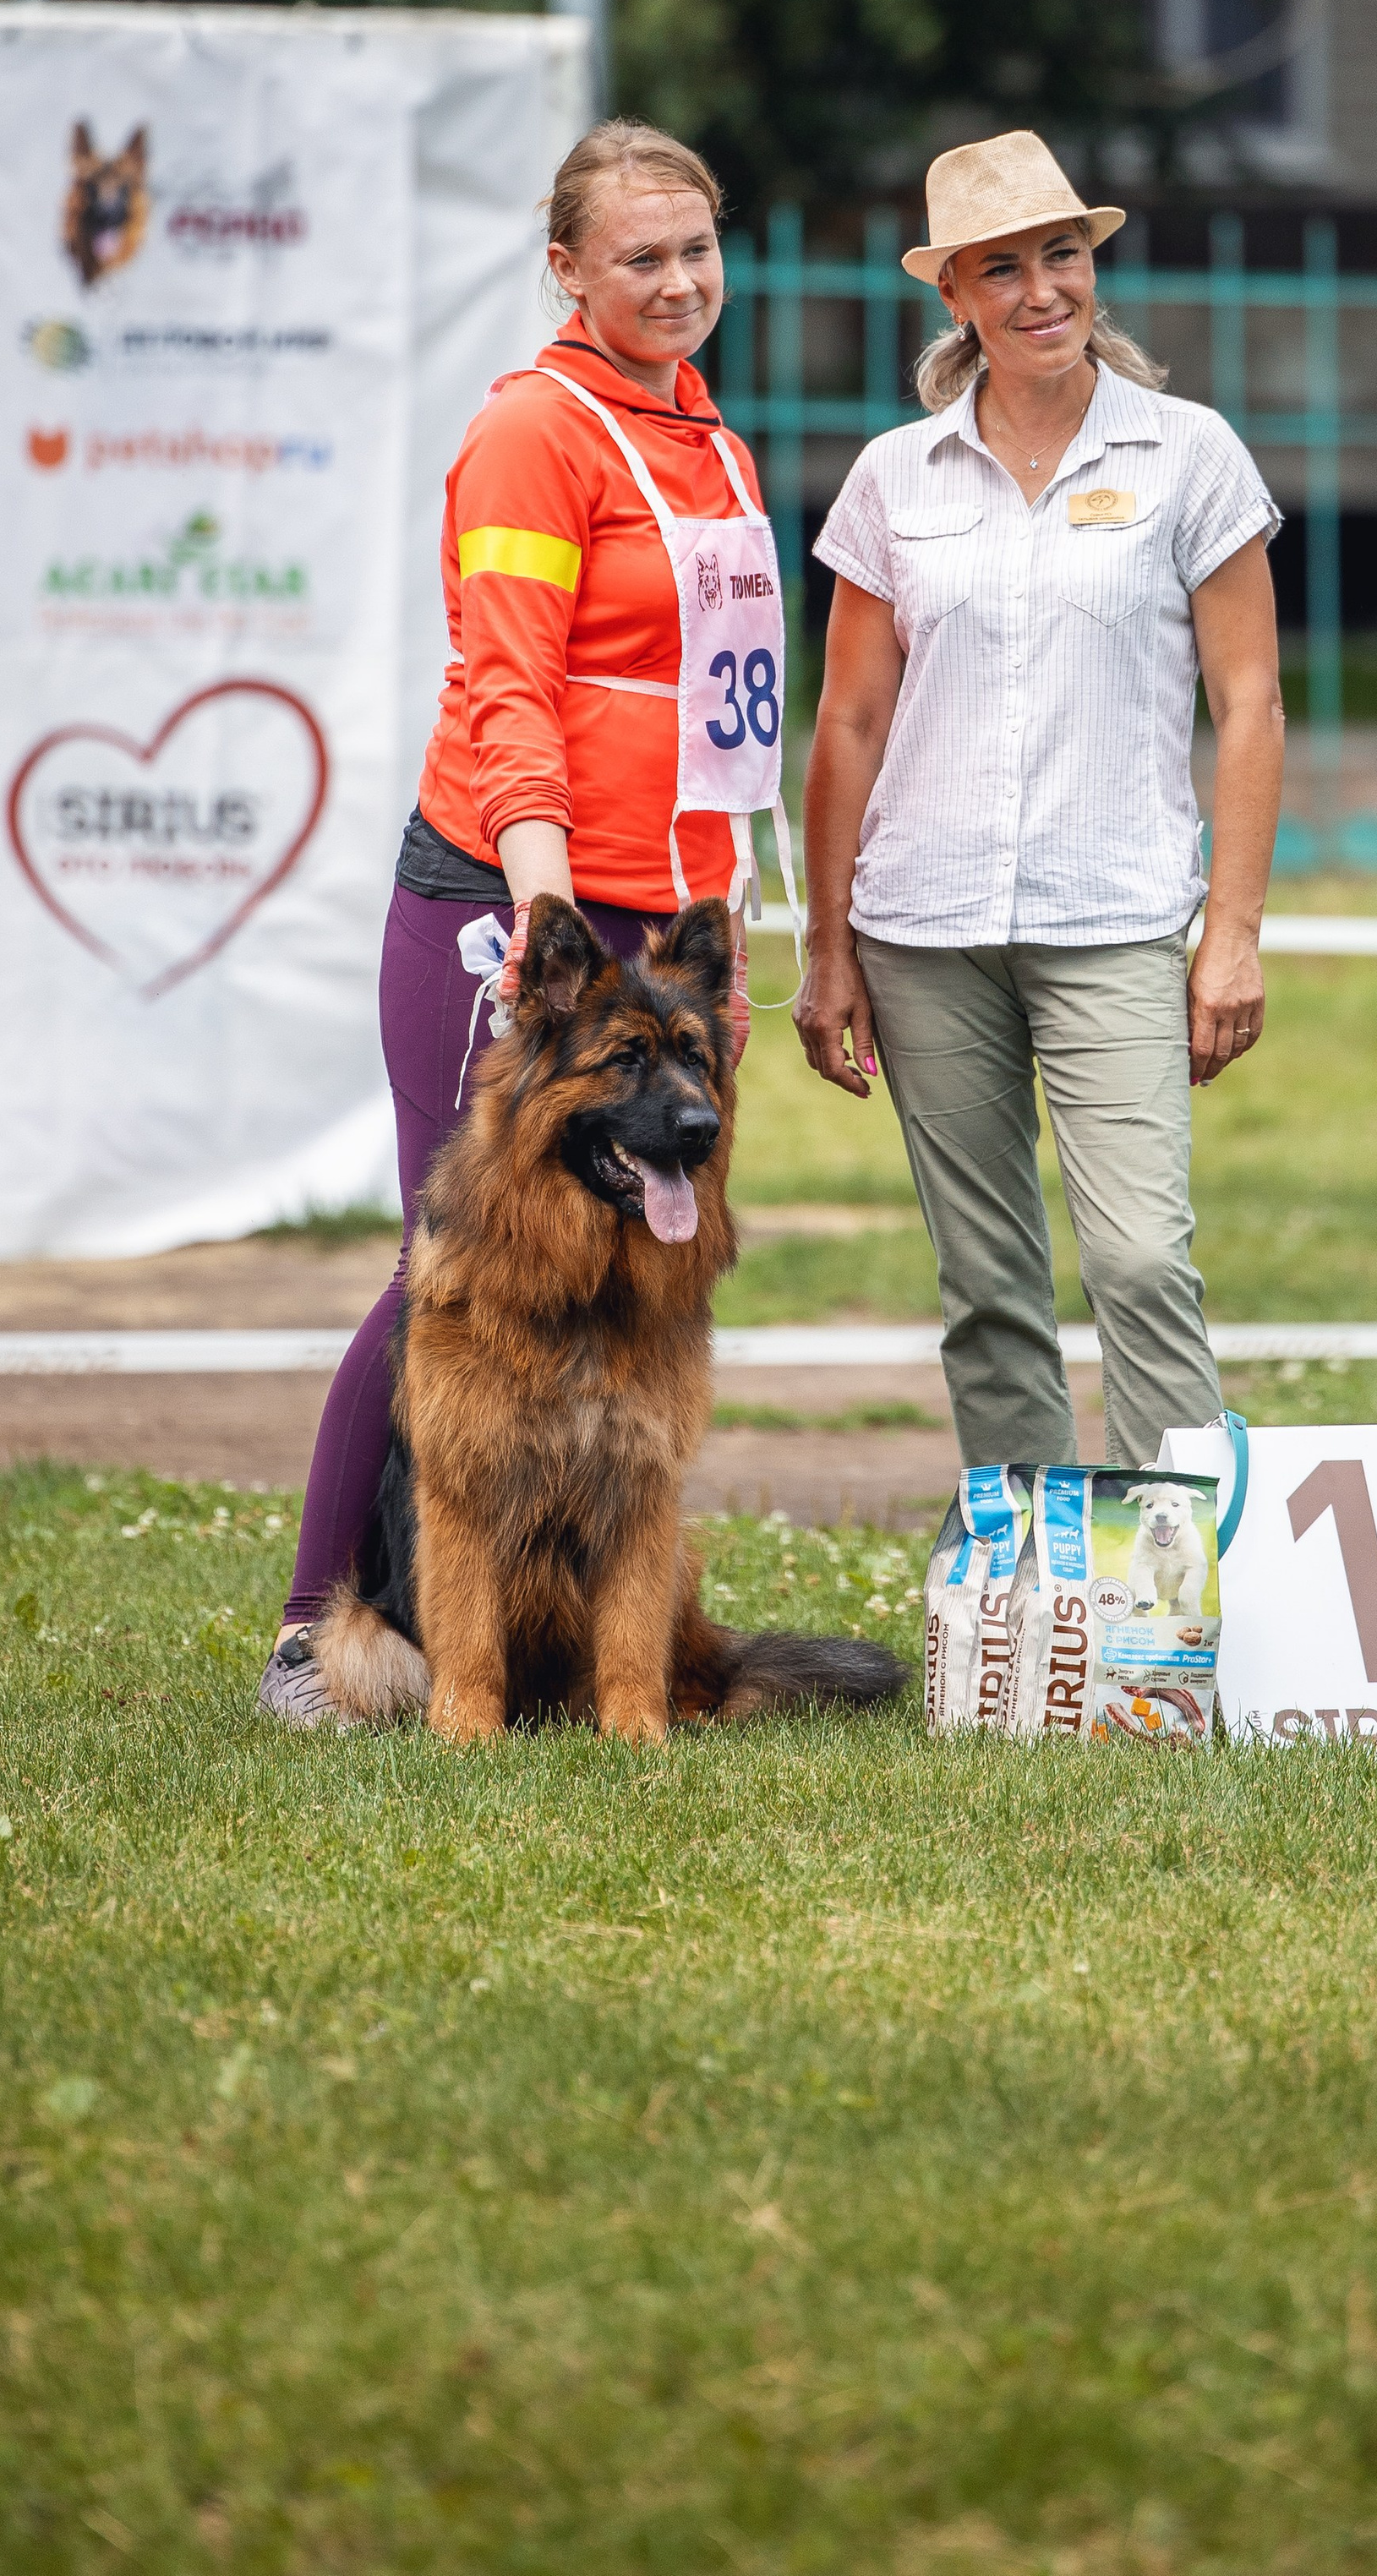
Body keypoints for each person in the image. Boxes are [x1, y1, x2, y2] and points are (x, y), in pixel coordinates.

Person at [262, 117, 790, 1723]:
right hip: (519, 902)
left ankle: (586, 1636)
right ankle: (311, 1630)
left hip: (670, 923)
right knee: (454, 1263)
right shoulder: (530, 434)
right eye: (643, 257)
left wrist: (728, 934)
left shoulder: (710, 437)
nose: (680, 280)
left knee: (645, 1265)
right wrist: (543, 887)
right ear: (566, 270)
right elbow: (509, 683)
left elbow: (728, 716)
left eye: (698, 250)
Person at [792, 128, 1284, 1471]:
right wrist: (827, 950)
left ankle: (1172, 1599)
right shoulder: (895, 476)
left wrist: (1230, 933)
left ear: (1091, 267)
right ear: (953, 295)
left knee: (1138, 1259)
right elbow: (847, 722)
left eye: (1060, 257)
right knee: (989, 1289)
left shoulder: (1190, 457)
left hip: (1114, 915)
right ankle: (1024, 1574)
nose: (1039, 292)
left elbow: (1250, 706)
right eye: (1000, 269)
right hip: (924, 927)